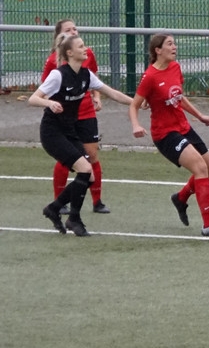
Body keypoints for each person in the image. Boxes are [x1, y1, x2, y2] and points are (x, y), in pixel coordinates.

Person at [29, 33, 134, 237]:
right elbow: (33, 99)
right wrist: (49, 102)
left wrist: (137, 103)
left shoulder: (86, 75)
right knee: (85, 170)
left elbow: (112, 93)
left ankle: (54, 208)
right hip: (52, 132)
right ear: (69, 53)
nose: (85, 49)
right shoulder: (58, 75)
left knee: (90, 176)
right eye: (81, 46)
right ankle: (74, 219)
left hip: (69, 131)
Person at [129, 34, 209, 238]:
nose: (175, 47)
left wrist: (199, 116)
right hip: (165, 134)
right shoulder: (150, 76)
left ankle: (181, 198)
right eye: (170, 44)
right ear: (158, 50)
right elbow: (134, 105)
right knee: (200, 168)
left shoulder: (175, 67)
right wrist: (136, 125)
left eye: (174, 43)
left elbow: (179, 97)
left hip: (183, 127)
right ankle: (208, 226)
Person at [42, 19, 111, 215]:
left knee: (92, 156)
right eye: (68, 29)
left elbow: (94, 79)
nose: (73, 31)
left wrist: (97, 97)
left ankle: (97, 202)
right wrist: (51, 104)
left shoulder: (87, 54)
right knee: (69, 158)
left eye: (75, 28)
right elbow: (44, 92)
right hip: (65, 118)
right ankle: (60, 202)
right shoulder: (54, 63)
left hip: (86, 113)